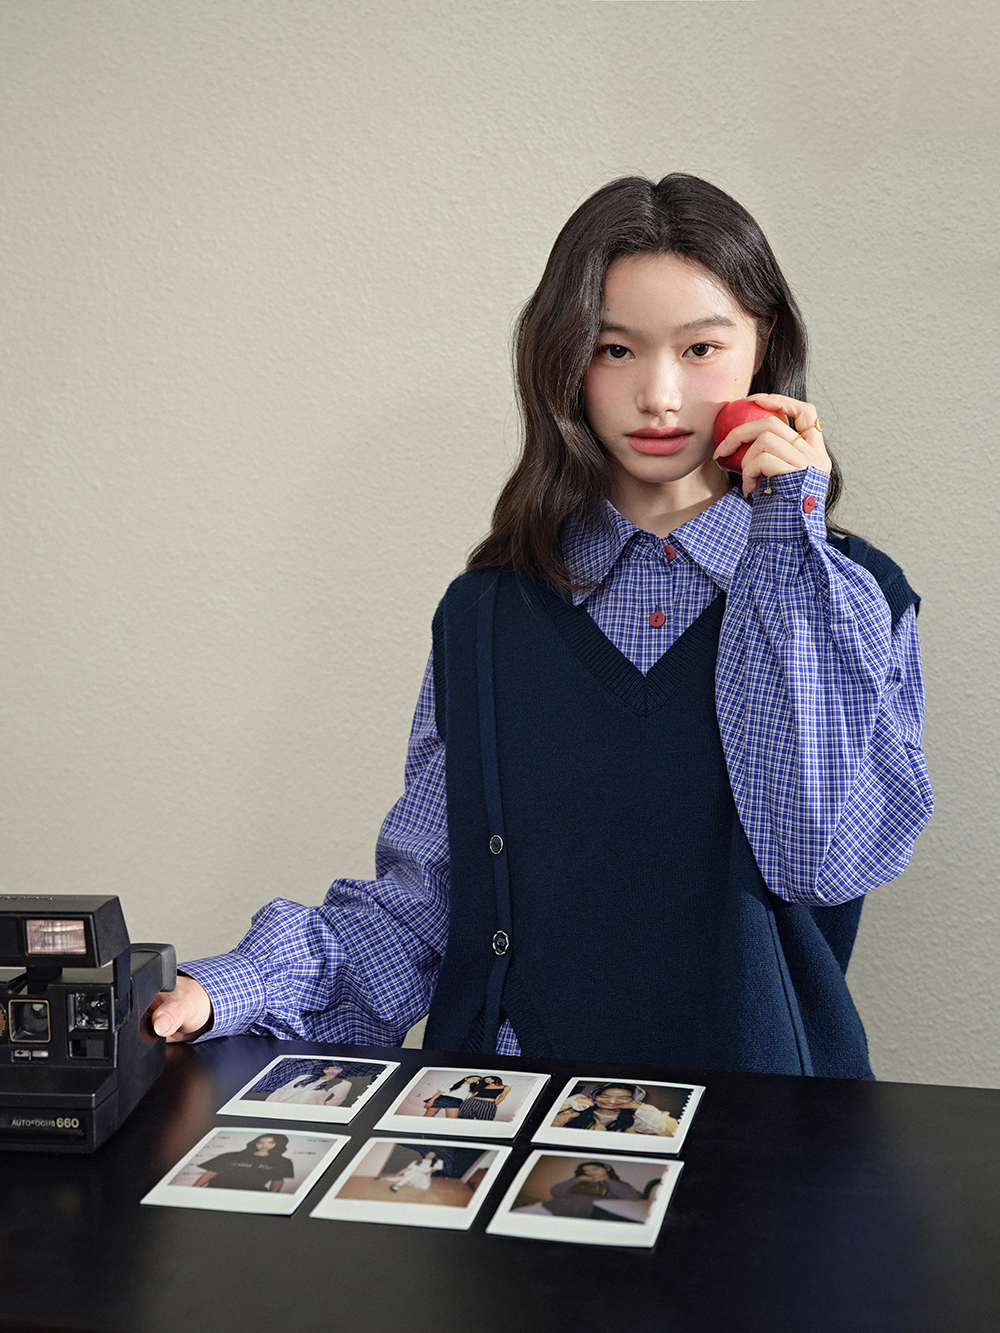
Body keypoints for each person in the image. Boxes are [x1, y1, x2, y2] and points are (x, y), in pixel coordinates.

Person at [149, 173, 933, 1079]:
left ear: (763, 350)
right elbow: (424, 907)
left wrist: (786, 544)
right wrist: (232, 987)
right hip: (507, 1127)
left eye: (702, 348)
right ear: (564, 361)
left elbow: (818, 858)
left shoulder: (852, 596)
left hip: (765, 1142)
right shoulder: (484, 615)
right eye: (614, 351)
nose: (660, 394)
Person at [551, 1083, 678, 1136]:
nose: (611, 1102)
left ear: (632, 1100)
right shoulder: (573, 1113)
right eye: (604, 1096)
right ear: (595, 1096)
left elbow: (668, 1130)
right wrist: (574, 1102)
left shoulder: (636, 1120)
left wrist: (640, 1108)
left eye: (623, 1098)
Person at [192, 1134, 294, 1192]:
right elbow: (210, 1174)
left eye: (270, 1142)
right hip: (217, 1191)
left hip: (253, 1196)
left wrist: (271, 1198)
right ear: (255, 1143)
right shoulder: (230, 1156)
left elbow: (277, 1181)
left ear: (278, 1144)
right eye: (260, 1142)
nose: (264, 1145)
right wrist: (193, 1191)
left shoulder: (283, 1162)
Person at [542, 1161, 643, 1220]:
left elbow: (634, 1197)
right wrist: (578, 1179)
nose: (589, 1173)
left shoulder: (617, 1185)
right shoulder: (579, 1180)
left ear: (607, 1169)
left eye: (595, 1169)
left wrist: (607, 1180)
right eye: (586, 1171)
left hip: (571, 1219)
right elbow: (555, 1191)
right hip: (548, 1209)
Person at [264, 1063, 350, 1106]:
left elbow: (337, 1100)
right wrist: (269, 1104)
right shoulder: (304, 1077)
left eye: (336, 1069)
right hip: (278, 1104)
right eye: (327, 1068)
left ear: (341, 1070)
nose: (331, 1071)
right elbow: (282, 1090)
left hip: (304, 1110)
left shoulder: (343, 1083)